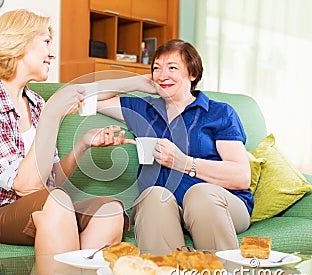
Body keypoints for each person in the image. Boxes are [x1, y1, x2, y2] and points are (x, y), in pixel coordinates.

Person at [0, 9, 132, 259]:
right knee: (56, 201)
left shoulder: (36, 103)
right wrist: (52, 115)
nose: (52, 53)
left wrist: (83, 144)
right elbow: (25, 187)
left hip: (41, 202)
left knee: (110, 211)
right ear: (17, 44)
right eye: (46, 42)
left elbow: (51, 181)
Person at [94, 39, 253, 251]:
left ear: (192, 73)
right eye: (156, 69)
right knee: (152, 196)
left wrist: (183, 163)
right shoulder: (143, 109)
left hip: (221, 205)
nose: (162, 75)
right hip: (167, 210)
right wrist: (138, 82)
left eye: (172, 68)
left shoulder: (219, 113)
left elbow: (241, 176)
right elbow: (89, 99)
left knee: (200, 195)